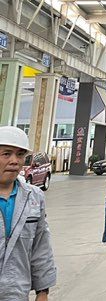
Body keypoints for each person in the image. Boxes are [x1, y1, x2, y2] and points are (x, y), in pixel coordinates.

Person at [0, 126, 56, 301]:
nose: (14, 161)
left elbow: (41, 246)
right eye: (6, 154)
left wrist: (43, 291)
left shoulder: (34, 196)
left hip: (16, 292)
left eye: (20, 155)